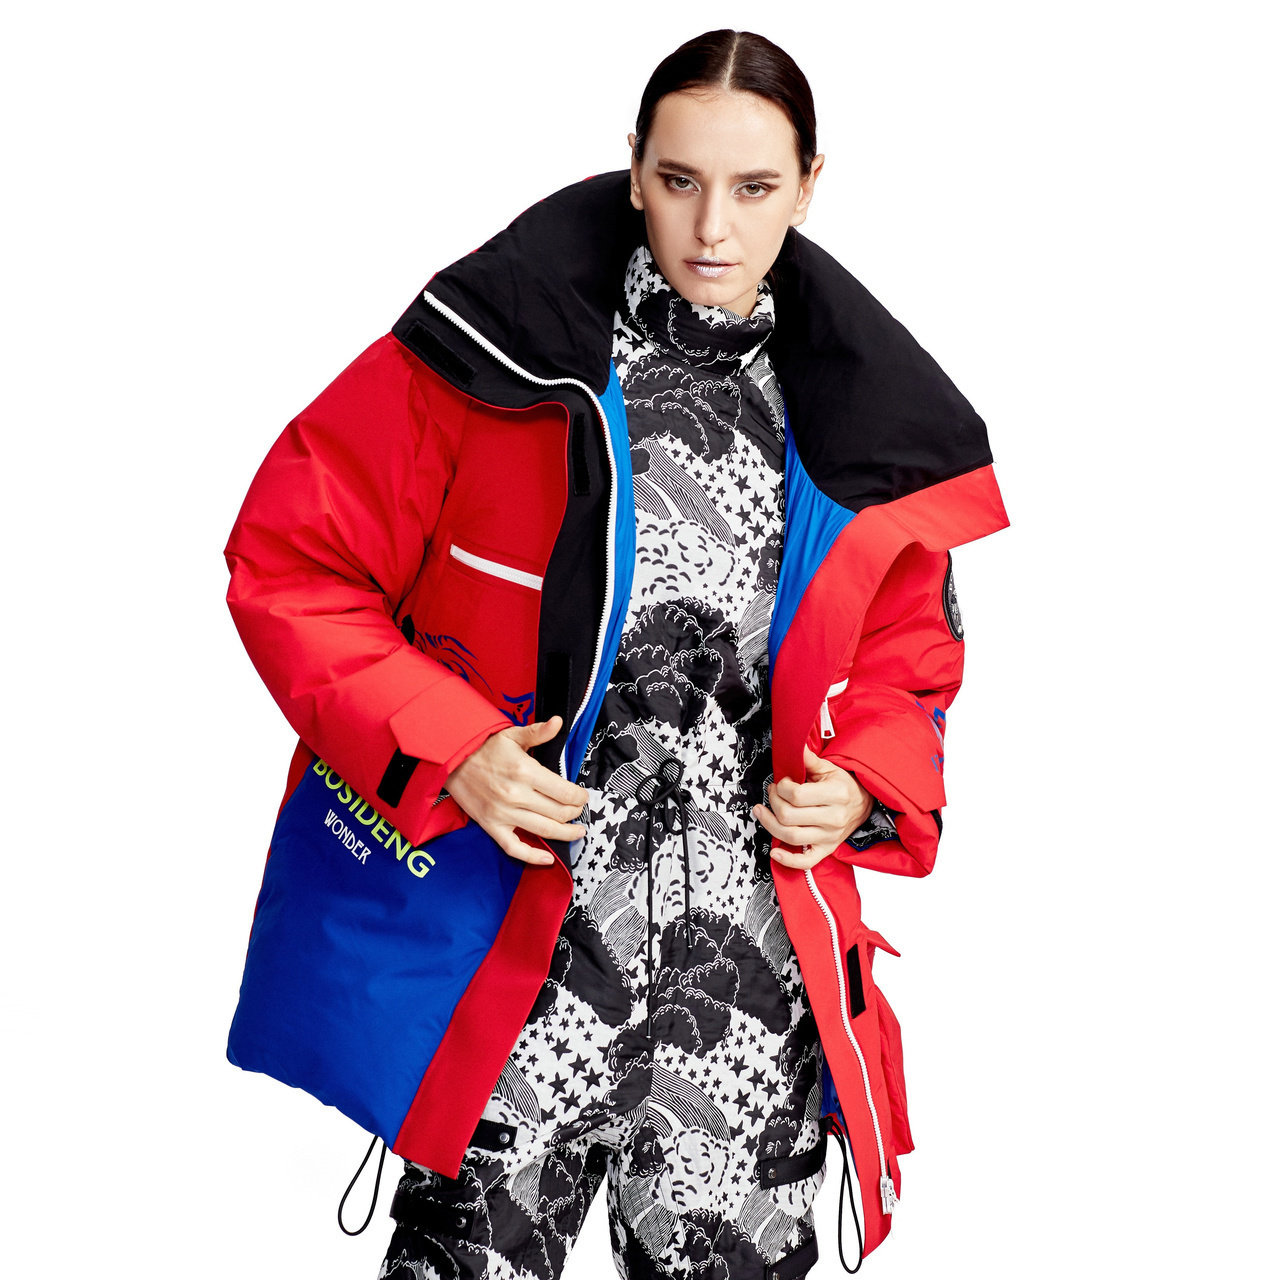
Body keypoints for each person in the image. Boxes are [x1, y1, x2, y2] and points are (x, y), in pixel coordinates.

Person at [223, 28, 1008, 1280]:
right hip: (517, 966)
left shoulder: (864, 425)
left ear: (810, 186)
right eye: (679, 179)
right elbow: (292, 564)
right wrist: (452, 744)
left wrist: (860, 778)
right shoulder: (491, 361)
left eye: (754, 187)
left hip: (745, 996)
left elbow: (909, 660)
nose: (712, 226)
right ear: (633, 167)